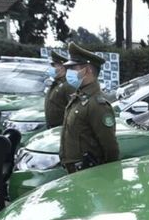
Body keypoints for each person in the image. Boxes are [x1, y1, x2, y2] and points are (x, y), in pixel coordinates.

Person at [58, 42, 120, 173]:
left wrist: (112, 178)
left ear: (87, 70)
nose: (69, 72)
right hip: (75, 172)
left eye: (73, 68)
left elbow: (110, 148)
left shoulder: (97, 104)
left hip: (88, 174)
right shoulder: (79, 97)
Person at [44, 50, 74, 129]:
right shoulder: (56, 83)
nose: (51, 68)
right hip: (53, 129)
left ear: (62, 67)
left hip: (61, 129)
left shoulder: (68, 85)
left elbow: (73, 111)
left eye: (54, 66)